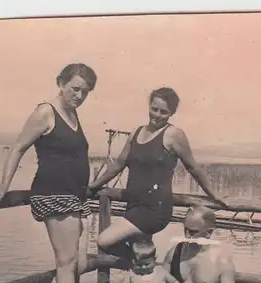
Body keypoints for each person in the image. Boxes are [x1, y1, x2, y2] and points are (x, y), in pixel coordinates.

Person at [0, 63, 104, 283]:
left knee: (73, 262)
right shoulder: (45, 112)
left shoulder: (72, 113)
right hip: (54, 194)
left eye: (85, 92)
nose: (79, 95)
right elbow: (18, 147)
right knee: (67, 263)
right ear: (60, 82)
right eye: (75, 88)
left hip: (74, 194)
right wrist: (4, 184)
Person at [87, 87, 228, 262]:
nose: (157, 115)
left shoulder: (174, 135)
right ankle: (146, 268)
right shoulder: (136, 133)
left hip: (155, 209)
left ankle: (143, 262)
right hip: (133, 205)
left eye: (164, 112)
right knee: (139, 249)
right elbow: (118, 164)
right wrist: (94, 185)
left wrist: (213, 194)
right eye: (154, 109)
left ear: (172, 114)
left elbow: (193, 167)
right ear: (149, 106)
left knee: (103, 241)